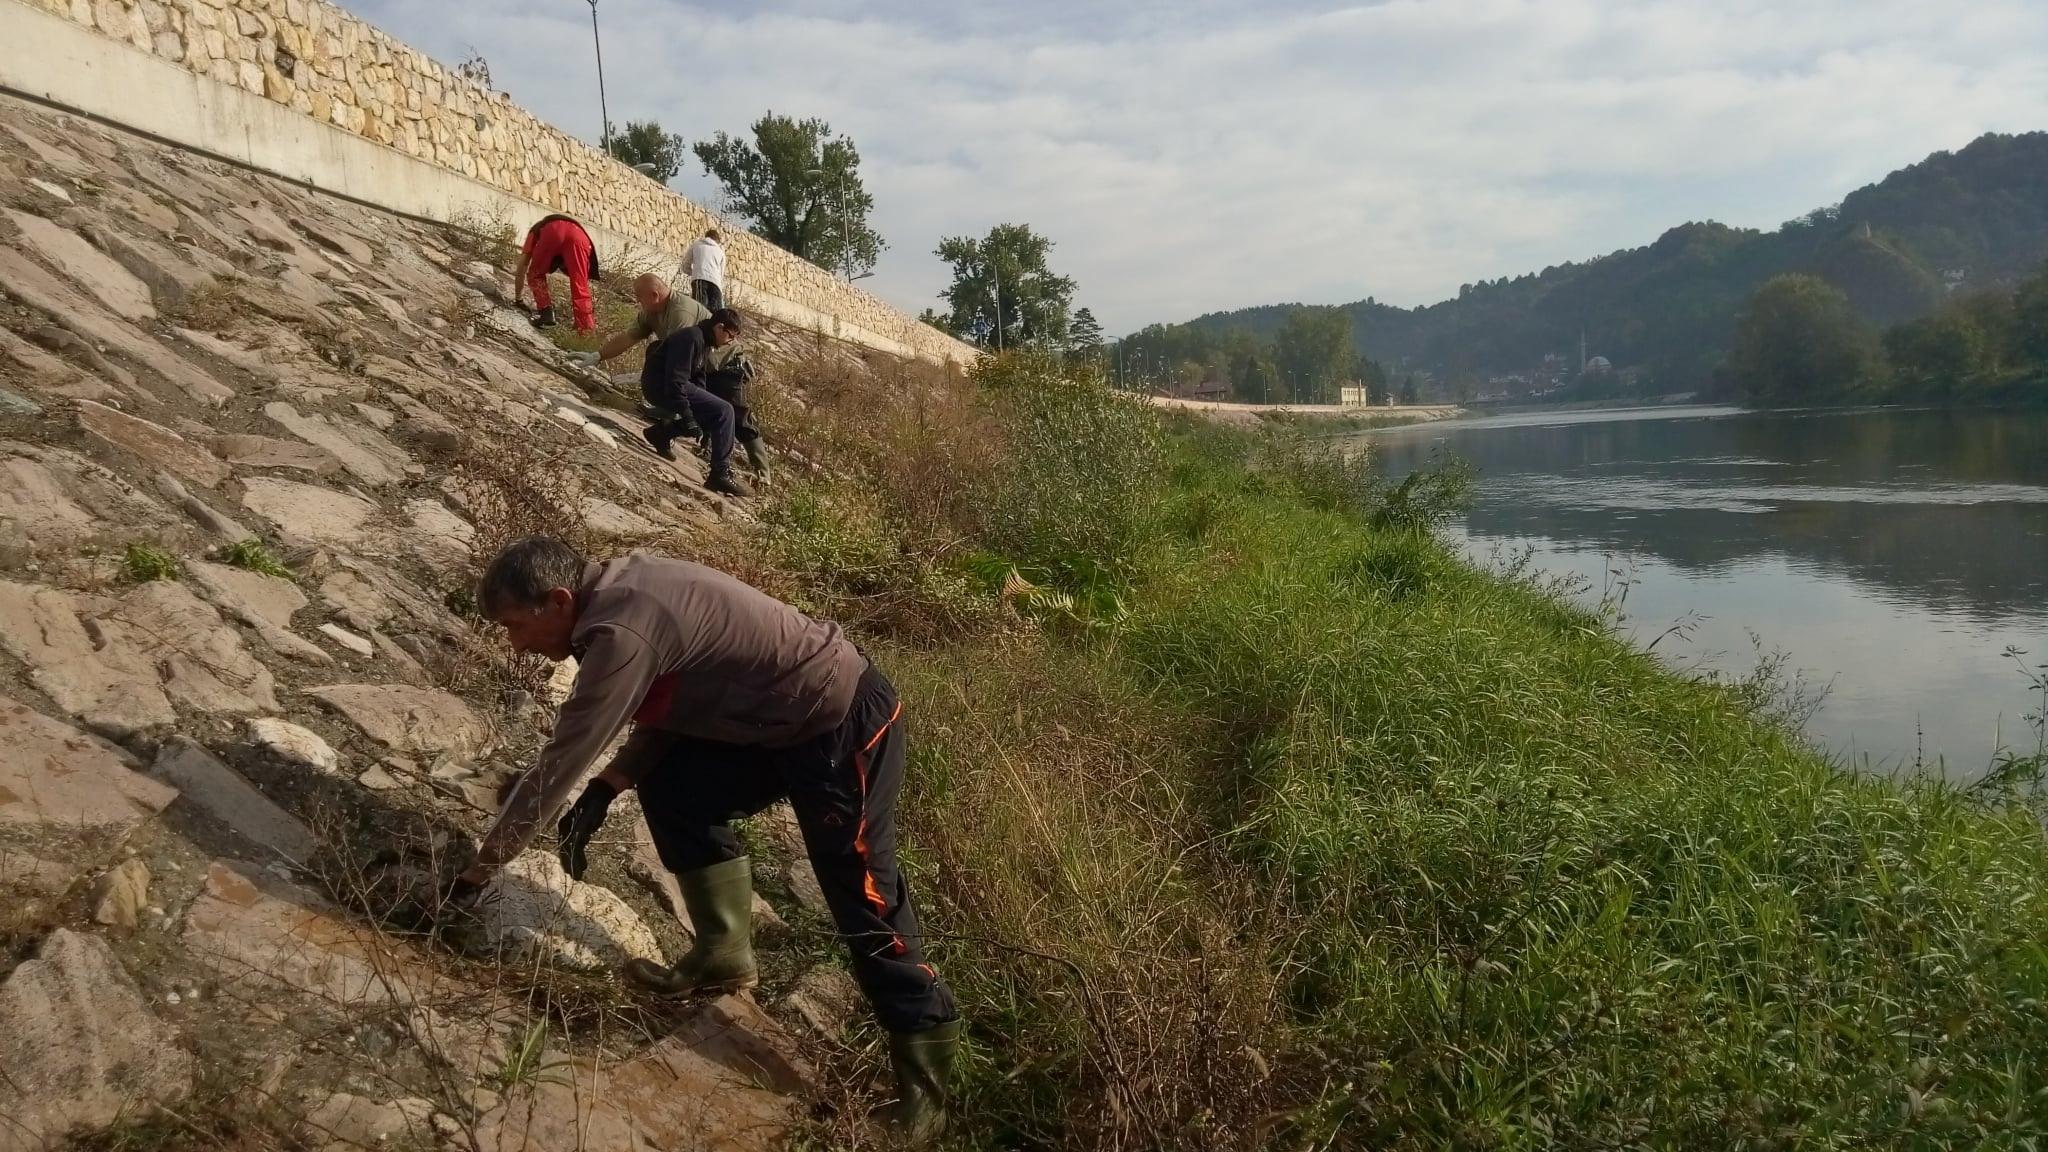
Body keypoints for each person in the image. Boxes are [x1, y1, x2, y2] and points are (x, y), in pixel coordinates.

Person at [450, 537, 963, 1143]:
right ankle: (722, 957)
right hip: (775, 723)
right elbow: (677, 701)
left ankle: (927, 1085)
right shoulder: (616, 594)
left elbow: (560, 762)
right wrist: (611, 784)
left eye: (516, 626)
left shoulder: (620, 629)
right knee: (673, 788)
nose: (517, 644)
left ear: (558, 600)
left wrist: (480, 871)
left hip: (841, 721)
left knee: (861, 890)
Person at [566, 274, 751, 497]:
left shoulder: (694, 328)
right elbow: (674, 375)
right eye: (730, 336)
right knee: (724, 410)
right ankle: (719, 474)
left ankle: (662, 434)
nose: (637, 301)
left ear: (654, 296)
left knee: (715, 411)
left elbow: (696, 374)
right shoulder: (690, 334)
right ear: (720, 328)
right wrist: (597, 355)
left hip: (683, 379)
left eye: (639, 297)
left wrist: (694, 413)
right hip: (662, 383)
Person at [512, 214, 602, 334]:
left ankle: (546, 313)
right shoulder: (540, 229)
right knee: (580, 286)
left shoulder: (536, 229)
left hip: (552, 231)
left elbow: (522, 265)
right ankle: (586, 330)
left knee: (535, 274)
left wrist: (518, 299)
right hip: (579, 235)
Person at [678, 228, 726, 311]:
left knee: (699, 309)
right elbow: (721, 274)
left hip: (700, 279)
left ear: (706, 236)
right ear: (717, 241)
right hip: (716, 283)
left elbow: (685, 264)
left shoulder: (696, 245)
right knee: (715, 312)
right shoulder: (721, 252)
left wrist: (693, 273)